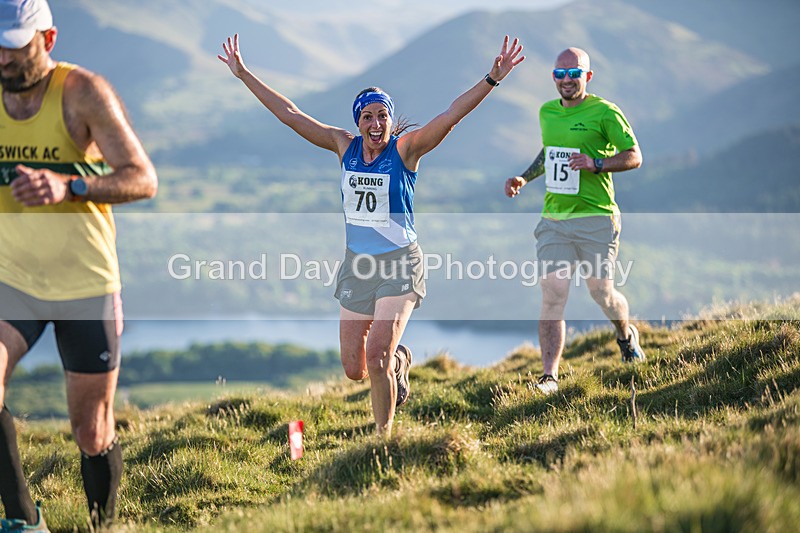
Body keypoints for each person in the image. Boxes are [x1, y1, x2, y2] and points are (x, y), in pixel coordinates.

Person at [219, 33, 524, 436]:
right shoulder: (341, 146)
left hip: (400, 262)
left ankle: (383, 439)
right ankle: (401, 362)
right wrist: (243, 75)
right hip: (358, 266)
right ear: (357, 122)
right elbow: (291, 114)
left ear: (390, 119)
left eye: (383, 116)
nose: (376, 124)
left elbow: (451, 115)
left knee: (377, 354)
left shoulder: (406, 150)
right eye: (368, 117)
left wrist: (492, 78)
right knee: (355, 367)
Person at [0, 0, 157, 529]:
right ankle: (23, 521)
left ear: (47, 40)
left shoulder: (82, 93)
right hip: (12, 279)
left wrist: (70, 186)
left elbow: (141, 177)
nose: (2, 55)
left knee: (91, 430)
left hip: (84, 283)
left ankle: (101, 526)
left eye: (14, 43)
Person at [505, 47, 644, 395]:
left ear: (588, 76)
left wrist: (595, 163)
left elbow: (634, 156)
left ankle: (626, 335)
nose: (566, 80)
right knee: (553, 293)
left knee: (602, 293)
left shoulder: (605, 113)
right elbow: (549, 153)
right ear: (553, 77)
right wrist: (524, 178)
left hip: (597, 217)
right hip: (554, 220)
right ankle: (549, 376)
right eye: (559, 74)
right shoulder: (547, 112)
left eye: (574, 73)